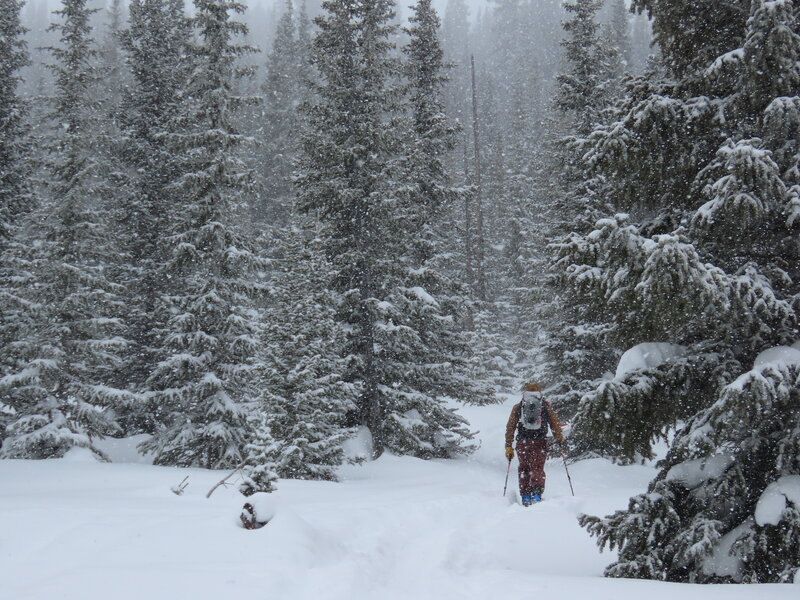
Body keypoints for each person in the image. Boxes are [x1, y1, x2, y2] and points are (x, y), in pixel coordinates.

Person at [504, 382, 565, 506]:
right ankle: (537, 494)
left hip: (522, 442)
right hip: (540, 442)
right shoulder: (545, 406)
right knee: (537, 468)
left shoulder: (519, 406)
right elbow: (555, 424)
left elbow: (510, 427)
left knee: (524, 468)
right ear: (539, 392)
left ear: (525, 392)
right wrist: (559, 438)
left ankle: (526, 496)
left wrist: (508, 446)